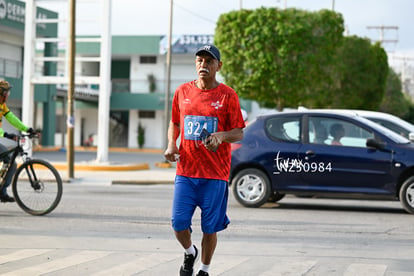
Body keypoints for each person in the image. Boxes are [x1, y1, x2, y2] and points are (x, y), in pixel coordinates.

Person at [164, 45, 245, 276]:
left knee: (210, 228)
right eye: (200, 60)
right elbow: (176, 122)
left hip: (215, 175)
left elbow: (239, 131)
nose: (203, 65)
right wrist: (171, 144)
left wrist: (220, 136)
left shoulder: (228, 95)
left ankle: (204, 270)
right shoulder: (182, 92)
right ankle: (190, 252)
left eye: (209, 61)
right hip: (186, 172)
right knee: (179, 224)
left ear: (218, 66)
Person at [0, 80, 34, 203]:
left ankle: (2, 191)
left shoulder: (2, 106)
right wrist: (7, 135)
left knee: (11, 163)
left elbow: (12, 118)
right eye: (6, 92)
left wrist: (27, 129)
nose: (8, 95)